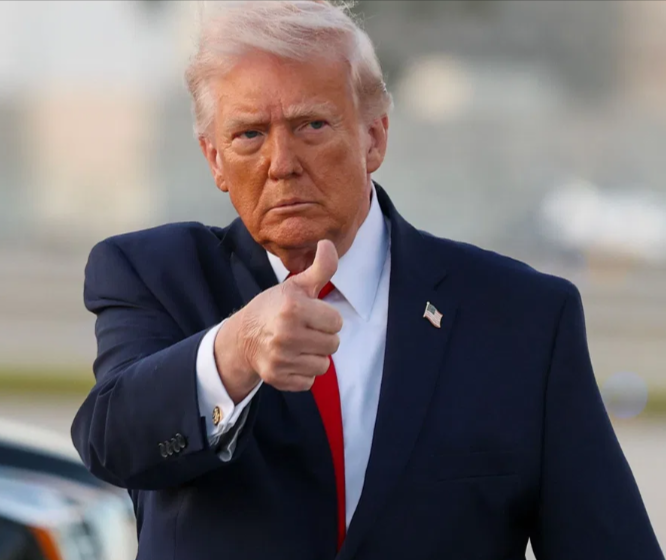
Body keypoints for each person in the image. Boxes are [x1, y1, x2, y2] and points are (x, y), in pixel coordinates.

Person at [70, 2, 663, 559]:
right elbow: (112, 443)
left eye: (311, 125)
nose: (281, 163)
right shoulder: (154, 275)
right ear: (214, 159)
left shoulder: (521, 318)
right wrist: (237, 350)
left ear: (374, 137)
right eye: (249, 135)